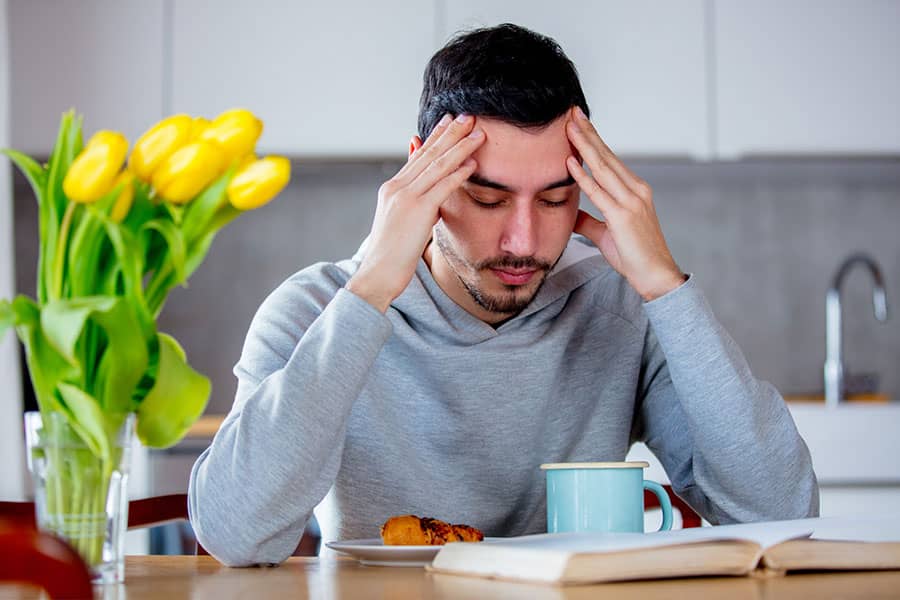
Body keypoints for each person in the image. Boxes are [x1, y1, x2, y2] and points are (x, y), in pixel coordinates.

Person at [188, 23, 818, 566]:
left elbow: (778, 512)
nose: (523, 240)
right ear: (422, 173)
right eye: (488, 199)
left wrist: (664, 286)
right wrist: (375, 285)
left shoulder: (620, 309)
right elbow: (237, 536)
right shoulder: (318, 309)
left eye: (554, 199)